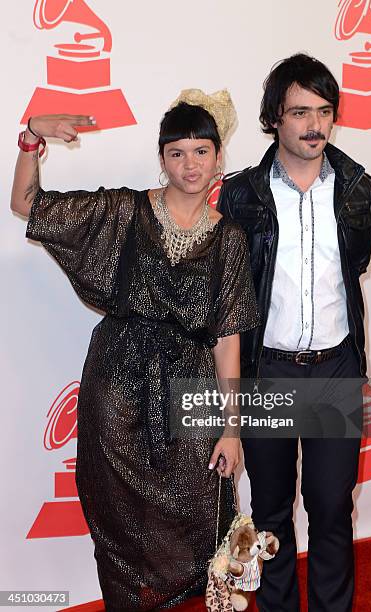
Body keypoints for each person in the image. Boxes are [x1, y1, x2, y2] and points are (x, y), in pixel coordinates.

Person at [11, 92, 260, 611]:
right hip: (118, 381)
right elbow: (27, 205)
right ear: (162, 158)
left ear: (218, 156)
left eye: (201, 151)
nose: (189, 164)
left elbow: (228, 336)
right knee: (118, 521)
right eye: (177, 152)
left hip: (190, 388)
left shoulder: (230, 239)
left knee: (203, 515)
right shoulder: (125, 211)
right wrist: (31, 136)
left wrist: (232, 428)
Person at [218, 54, 371, 611]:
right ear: (275, 118)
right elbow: (233, 297)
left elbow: (351, 271)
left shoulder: (357, 188)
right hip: (270, 372)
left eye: (325, 111)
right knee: (272, 513)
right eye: (300, 112)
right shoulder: (242, 195)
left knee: (333, 506)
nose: (314, 125)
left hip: (335, 369)